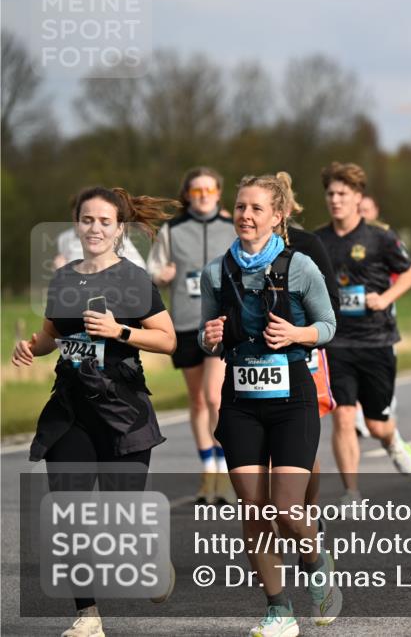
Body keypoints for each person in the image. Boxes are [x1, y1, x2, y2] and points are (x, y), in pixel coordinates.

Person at [12, 186, 178, 637]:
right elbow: (52, 335)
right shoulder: (64, 278)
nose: (95, 228)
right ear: (77, 225)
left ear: (118, 228)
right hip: (70, 409)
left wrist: (120, 331)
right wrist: (30, 347)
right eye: (88, 220)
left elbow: (166, 339)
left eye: (105, 221)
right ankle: (87, 617)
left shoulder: (134, 279)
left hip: (123, 410)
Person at [199, 173, 341, 634]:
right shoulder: (216, 272)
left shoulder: (300, 266)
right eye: (240, 207)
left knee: (285, 508)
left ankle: (317, 562)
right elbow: (207, 338)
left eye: (256, 208)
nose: (245, 215)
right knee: (254, 509)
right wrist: (209, 337)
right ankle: (278, 608)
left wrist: (296, 334)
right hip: (240, 398)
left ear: (277, 216)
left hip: (293, 396)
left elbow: (327, 325)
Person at [313, 162, 411, 508]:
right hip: (336, 343)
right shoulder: (318, 241)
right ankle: (352, 492)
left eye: (342, 193)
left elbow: (410, 272)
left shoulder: (380, 237)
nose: (335, 200)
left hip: (377, 340)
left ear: (358, 197)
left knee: (375, 424)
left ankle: (391, 440)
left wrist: (384, 298)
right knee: (343, 415)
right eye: (330, 193)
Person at [147, 167, 236, 505]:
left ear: (218, 192)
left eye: (208, 190)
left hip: (221, 322)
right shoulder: (172, 230)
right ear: (187, 195)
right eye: (196, 191)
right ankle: (208, 472)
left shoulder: (231, 228)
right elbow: (152, 271)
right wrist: (162, 275)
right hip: (184, 322)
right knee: (197, 399)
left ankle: (225, 473)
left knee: (215, 397)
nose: (202, 197)